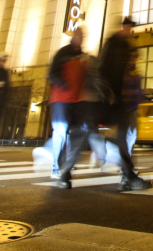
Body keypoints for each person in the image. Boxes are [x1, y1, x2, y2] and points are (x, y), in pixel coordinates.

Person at [96, 17, 151, 191]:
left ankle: (128, 177)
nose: (130, 31)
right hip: (115, 99)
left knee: (123, 139)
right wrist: (107, 93)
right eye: (129, 27)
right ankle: (128, 177)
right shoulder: (113, 43)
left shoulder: (127, 46)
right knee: (121, 139)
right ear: (124, 27)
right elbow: (102, 69)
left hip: (122, 103)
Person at [49, 29, 94, 188]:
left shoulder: (84, 56)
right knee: (61, 133)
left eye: (82, 36)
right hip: (61, 99)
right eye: (78, 35)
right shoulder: (62, 53)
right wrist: (64, 85)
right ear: (73, 36)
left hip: (78, 100)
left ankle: (65, 169)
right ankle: (57, 168)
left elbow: (88, 76)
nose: (80, 38)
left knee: (77, 134)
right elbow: (52, 74)